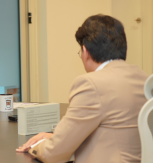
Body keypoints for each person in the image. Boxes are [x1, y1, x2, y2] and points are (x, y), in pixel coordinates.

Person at [16, 14, 148, 163]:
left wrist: (38, 146)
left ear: (85, 52)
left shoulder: (91, 84)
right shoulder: (143, 78)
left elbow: (54, 153)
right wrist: (57, 137)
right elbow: (114, 127)